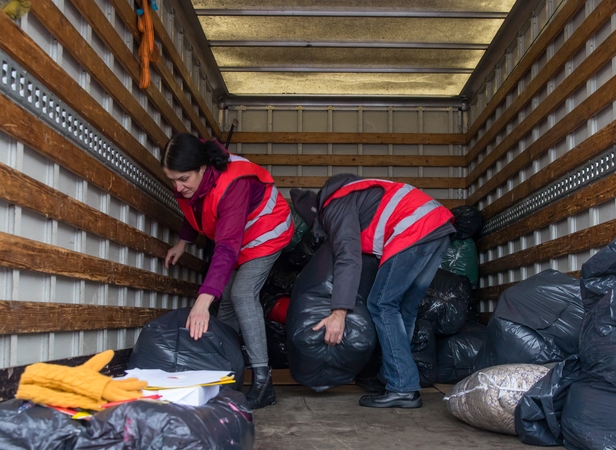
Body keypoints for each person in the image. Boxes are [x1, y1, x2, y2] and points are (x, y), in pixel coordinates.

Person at [290, 174, 455, 409]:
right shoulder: (357, 195)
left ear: (320, 217)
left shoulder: (335, 206)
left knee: (381, 304)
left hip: (415, 229)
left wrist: (339, 313)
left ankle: (402, 387)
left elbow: (348, 258)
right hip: (437, 228)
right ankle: (397, 379)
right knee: (403, 309)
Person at [162, 132, 294, 409]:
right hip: (237, 237)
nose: (177, 187)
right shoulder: (190, 184)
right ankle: (224, 374)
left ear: (202, 168)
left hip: (266, 231)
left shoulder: (233, 183)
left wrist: (201, 301)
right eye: (171, 179)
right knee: (226, 307)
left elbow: (225, 249)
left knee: (243, 293)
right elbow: (195, 209)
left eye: (183, 179)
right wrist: (183, 243)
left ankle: (262, 381)